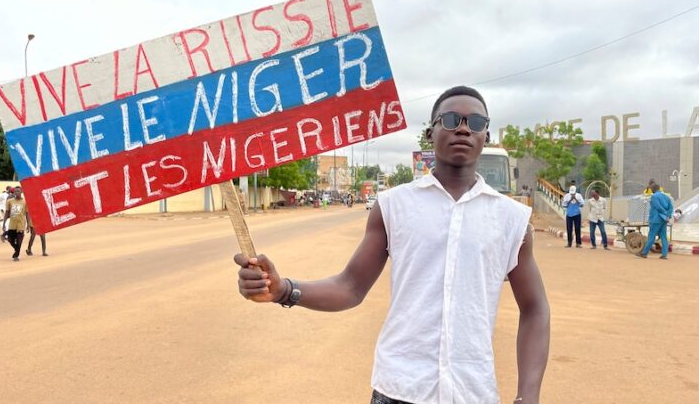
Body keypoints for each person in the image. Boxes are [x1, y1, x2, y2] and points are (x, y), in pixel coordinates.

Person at [234, 86, 550, 404]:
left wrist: (529, 395)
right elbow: (350, 286)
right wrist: (283, 290)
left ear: (486, 135)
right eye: (452, 120)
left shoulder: (512, 220)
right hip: (399, 388)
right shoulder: (393, 206)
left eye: (476, 122)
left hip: (472, 392)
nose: (464, 128)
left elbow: (535, 308)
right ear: (430, 133)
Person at [636, 183, 674, 259]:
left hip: (655, 219)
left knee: (651, 236)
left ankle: (644, 253)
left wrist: (664, 213)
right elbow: (671, 207)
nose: (651, 190)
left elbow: (658, 207)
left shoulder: (654, 196)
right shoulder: (666, 196)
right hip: (664, 219)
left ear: (653, 189)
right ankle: (664, 255)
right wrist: (667, 216)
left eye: (651, 189)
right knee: (663, 237)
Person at [2, 186, 30, 261]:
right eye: (15, 191)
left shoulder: (25, 202)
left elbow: (27, 214)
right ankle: (16, 248)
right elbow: (7, 213)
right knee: (10, 239)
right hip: (12, 224)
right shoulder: (10, 201)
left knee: (19, 240)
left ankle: (16, 255)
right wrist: (4, 223)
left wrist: (28, 225)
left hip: (21, 224)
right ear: (13, 192)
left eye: (18, 191)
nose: (17, 193)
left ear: (21, 192)